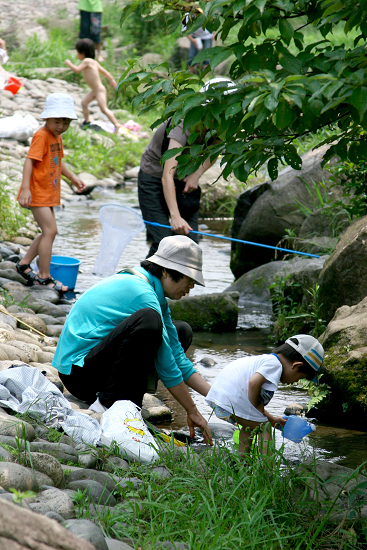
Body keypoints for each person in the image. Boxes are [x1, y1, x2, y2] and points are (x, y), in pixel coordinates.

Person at [52, 235, 213, 445]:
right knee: (149, 321)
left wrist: (219, 400)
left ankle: (125, 400)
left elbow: (178, 358)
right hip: (78, 373)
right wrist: (192, 411)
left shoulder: (154, 294)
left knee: (182, 331)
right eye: (188, 281)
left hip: (97, 362)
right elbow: (167, 365)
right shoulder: (142, 292)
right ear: (166, 271)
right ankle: (105, 404)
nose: (190, 288)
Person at [138, 77, 235, 257]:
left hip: (184, 177)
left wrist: (196, 174)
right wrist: (174, 216)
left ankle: (178, 285)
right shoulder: (185, 122)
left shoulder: (225, 123)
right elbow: (167, 174)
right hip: (154, 177)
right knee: (163, 243)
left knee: (189, 245)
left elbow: (214, 150)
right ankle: (142, 282)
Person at [206, 334, 324, 456]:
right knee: (264, 428)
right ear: (296, 365)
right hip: (229, 398)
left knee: (250, 426)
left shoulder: (267, 361)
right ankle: (267, 469)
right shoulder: (275, 365)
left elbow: (258, 407)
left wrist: (271, 419)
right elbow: (253, 383)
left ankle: (241, 462)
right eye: (300, 378)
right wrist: (256, 411)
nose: (295, 382)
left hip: (221, 398)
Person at [16, 93, 86, 293]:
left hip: (48, 192)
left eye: (66, 122)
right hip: (37, 192)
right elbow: (29, 160)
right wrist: (26, 189)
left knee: (48, 231)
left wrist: (72, 178)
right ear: (47, 118)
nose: (61, 126)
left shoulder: (57, 137)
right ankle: (44, 277)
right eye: (57, 121)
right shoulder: (42, 135)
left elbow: (58, 162)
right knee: (50, 231)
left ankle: (24, 264)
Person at [64, 38, 120, 133]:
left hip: (99, 90)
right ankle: (87, 121)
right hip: (94, 90)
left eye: (77, 52)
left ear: (82, 52)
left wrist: (69, 64)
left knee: (103, 109)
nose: (77, 55)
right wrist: (112, 79)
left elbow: (77, 70)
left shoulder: (87, 61)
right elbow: (105, 72)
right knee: (84, 103)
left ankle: (116, 125)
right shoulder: (93, 62)